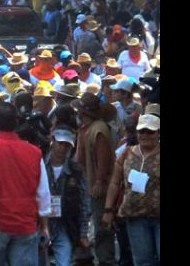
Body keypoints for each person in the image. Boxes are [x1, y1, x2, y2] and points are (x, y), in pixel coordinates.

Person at [0, 101, 52, 266]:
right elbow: (43, 191)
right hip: (25, 223)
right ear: (16, 123)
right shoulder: (34, 152)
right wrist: (45, 225)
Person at [102, 114, 160, 266]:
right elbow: (115, 183)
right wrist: (108, 210)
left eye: (150, 131)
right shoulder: (126, 153)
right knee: (142, 261)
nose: (145, 135)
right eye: (142, 131)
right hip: (135, 216)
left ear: (158, 133)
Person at [75, 94, 117, 266]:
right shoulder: (87, 128)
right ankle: (88, 257)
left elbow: (103, 157)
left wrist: (100, 181)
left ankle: (106, 260)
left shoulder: (98, 129)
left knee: (101, 225)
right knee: (88, 222)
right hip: (87, 183)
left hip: (99, 185)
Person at [44, 128, 92, 266]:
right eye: (60, 143)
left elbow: (84, 202)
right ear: (53, 142)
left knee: (64, 262)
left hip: (65, 224)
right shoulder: (39, 164)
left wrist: (83, 233)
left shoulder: (76, 170)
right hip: (41, 223)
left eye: (67, 145)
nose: (63, 148)